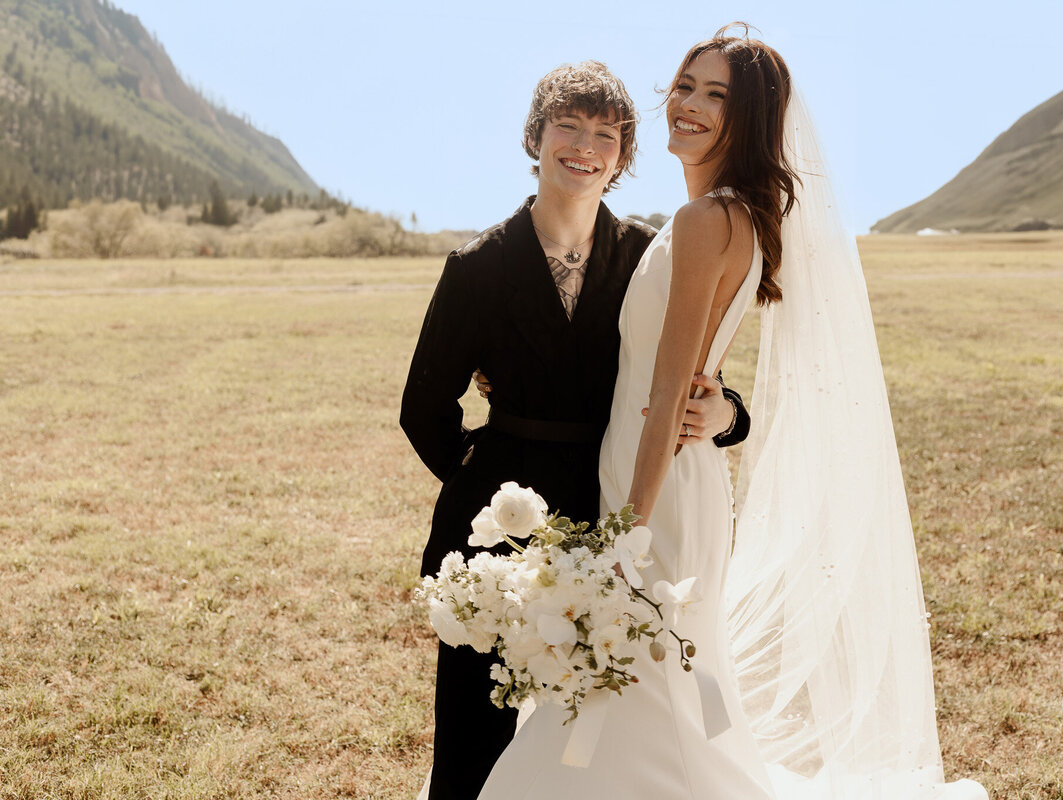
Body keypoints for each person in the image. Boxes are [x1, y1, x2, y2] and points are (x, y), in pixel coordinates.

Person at [477, 26, 991, 799]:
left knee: (636, 671)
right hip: (672, 476)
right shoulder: (733, 216)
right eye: (685, 85)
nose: (688, 105)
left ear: (749, 118)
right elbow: (686, 385)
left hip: (655, 485)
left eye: (716, 95)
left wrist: (626, 534)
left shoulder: (705, 220)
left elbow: (666, 393)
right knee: (658, 678)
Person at [399, 60, 751, 800]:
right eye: (569, 126)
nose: (585, 145)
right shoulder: (477, 267)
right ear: (537, 135)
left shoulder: (645, 256)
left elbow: (693, 379)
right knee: (474, 724)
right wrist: (484, 479)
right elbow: (422, 409)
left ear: (623, 156)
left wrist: (727, 415)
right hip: (496, 526)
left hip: (606, 515)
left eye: (606, 133)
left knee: (591, 730)